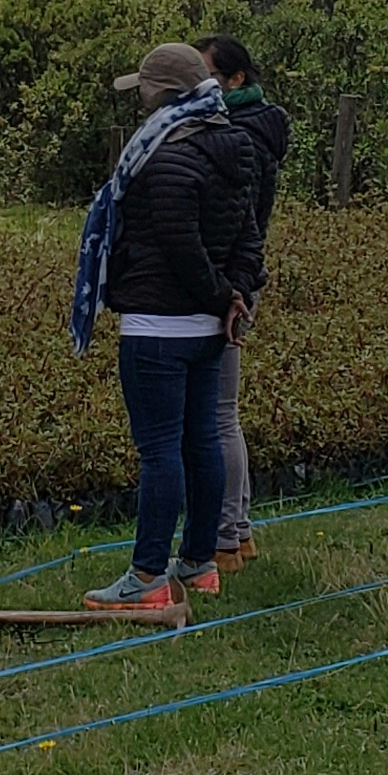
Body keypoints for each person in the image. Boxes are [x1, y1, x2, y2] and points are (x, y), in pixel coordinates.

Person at [72, 43, 263, 611]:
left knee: (160, 452)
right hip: (209, 330)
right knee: (202, 439)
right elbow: (249, 237)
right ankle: (201, 562)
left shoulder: (157, 154)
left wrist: (220, 292)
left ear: (163, 94)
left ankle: (148, 575)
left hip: (157, 324)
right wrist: (236, 295)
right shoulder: (237, 145)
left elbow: (180, 243)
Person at [199, 39, 293, 565]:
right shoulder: (257, 127)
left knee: (217, 414)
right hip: (239, 276)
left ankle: (227, 537)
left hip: (230, 281)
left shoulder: (239, 137)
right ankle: (240, 531)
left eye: (209, 75)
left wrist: (228, 283)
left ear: (235, 80)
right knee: (222, 412)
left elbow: (239, 221)